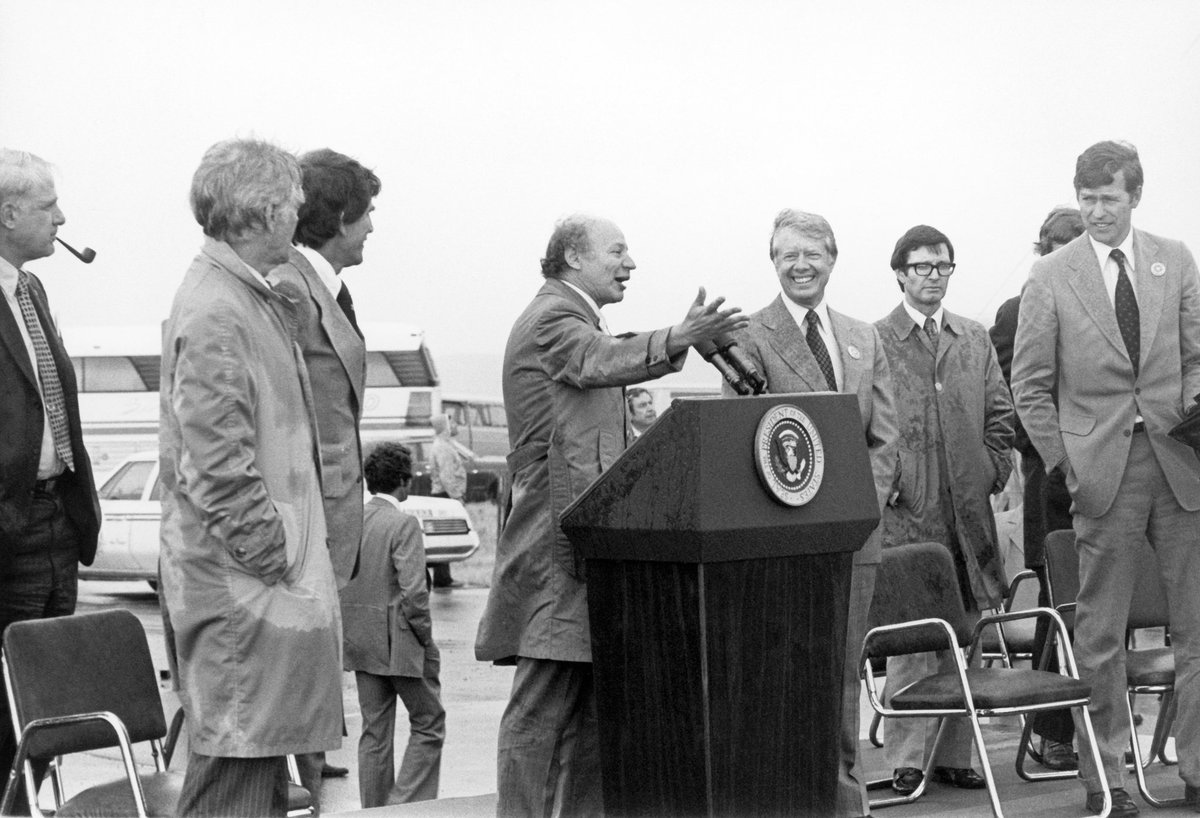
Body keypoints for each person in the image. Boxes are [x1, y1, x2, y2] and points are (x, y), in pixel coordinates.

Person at [474, 213, 747, 817]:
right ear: (573, 257)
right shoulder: (552, 319)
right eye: (617, 252)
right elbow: (596, 360)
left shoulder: (577, 318)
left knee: (597, 708)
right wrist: (677, 338)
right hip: (555, 551)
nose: (630, 263)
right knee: (543, 706)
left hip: (588, 552)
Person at [1013, 140, 1200, 817]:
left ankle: (1196, 768)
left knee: (1196, 628)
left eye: (1108, 199)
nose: (1095, 211)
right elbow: (1029, 387)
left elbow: (1197, 354)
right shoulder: (1050, 277)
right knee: (1100, 636)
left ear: (1134, 196)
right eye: (1086, 198)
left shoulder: (1174, 258)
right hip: (1101, 476)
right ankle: (1109, 779)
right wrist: (1067, 462)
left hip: (1180, 466)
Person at [159, 138, 343, 817]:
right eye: (293, 207)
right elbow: (216, 469)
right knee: (233, 789)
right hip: (246, 599)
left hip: (259, 598)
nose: (299, 219)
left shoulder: (246, 298)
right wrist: (276, 556)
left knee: (255, 786)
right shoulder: (219, 311)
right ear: (265, 213)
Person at [726, 208, 898, 818]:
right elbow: (744, 435)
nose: (800, 266)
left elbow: (885, 438)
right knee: (784, 679)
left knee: (843, 676)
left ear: (832, 258)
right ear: (773, 263)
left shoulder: (863, 334)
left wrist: (859, 509)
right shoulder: (749, 333)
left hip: (856, 541)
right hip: (784, 541)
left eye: (811, 254)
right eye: (786, 256)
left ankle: (845, 803)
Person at [875, 224, 1014, 797]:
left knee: (968, 635)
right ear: (901, 273)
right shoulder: (876, 339)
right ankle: (908, 759)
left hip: (970, 516)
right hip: (910, 516)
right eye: (922, 266)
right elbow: (866, 427)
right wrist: (894, 482)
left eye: (943, 266)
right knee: (912, 642)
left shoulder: (974, 338)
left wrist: (990, 470)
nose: (933, 276)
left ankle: (956, 756)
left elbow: (1001, 417)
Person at [270, 148, 377, 792]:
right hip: (300, 516)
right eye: (367, 215)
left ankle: (305, 765)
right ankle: (293, 774)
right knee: (297, 655)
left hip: (326, 510)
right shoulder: (289, 286)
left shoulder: (326, 288)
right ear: (338, 216)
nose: (372, 229)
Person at [0, 148, 101, 810]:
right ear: (8, 214)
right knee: (6, 711)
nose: (61, 218)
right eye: (47, 206)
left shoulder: (31, 288)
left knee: (46, 709)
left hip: (56, 519)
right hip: (9, 529)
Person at [988, 206, 1085, 772]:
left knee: (1108, 612)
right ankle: (1052, 733)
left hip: (1113, 482)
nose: (1060, 251)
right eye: (1051, 243)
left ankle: (1099, 720)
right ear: (1039, 248)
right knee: (1060, 610)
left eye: (1072, 242)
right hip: (1053, 489)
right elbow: (1017, 408)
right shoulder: (1016, 310)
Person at [341, 442, 445, 807]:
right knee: (429, 722)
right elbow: (414, 592)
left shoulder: (350, 522)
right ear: (404, 481)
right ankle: (405, 806)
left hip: (359, 641)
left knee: (375, 732)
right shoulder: (404, 524)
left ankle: (374, 810)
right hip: (400, 642)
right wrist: (426, 639)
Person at [427, 412, 472, 588]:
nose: (455, 427)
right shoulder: (443, 448)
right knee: (444, 538)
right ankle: (442, 579)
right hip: (445, 496)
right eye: (451, 423)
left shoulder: (445, 444)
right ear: (445, 426)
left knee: (444, 537)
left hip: (445, 496)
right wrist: (457, 498)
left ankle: (443, 577)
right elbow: (447, 477)